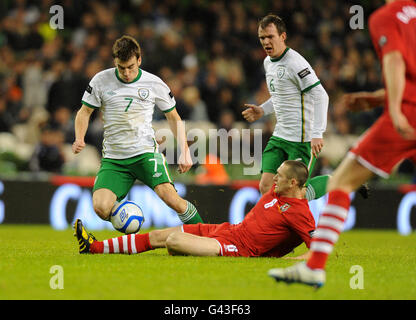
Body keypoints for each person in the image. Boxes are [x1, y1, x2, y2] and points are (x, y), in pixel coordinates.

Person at [268, 0, 416, 288]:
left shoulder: (384, 18)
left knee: (341, 183)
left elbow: (396, 61)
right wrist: (377, 98)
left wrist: (395, 108)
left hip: (407, 115)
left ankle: (314, 267)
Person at [72, 35, 204, 226]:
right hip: (114, 159)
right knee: (101, 208)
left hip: (145, 154)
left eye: (131, 67)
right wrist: (79, 138)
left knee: (172, 199)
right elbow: (84, 112)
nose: (126, 73)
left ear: (139, 60)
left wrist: (185, 151)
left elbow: (173, 117)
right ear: (115, 62)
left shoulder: (154, 83)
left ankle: (208, 233)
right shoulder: (101, 80)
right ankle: (129, 220)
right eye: (121, 67)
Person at [74, 160, 315, 259]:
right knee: (159, 234)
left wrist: (288, 261)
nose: (273, 179)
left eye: (279, 177)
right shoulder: (277, 192)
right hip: (229, 230)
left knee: (174, 241)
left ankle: (193, 252)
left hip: (238, 249)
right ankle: (94, 248)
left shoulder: (299, 211)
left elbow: (318, 249)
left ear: (293, 183)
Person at [241, 15, 330, 201]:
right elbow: (282, 97)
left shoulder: (295, 63)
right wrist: (262, 110)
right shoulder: (268, 63)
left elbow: (321, 95)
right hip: (280, 136)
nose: (266, 42)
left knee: (294, 194)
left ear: (282, 37)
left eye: (270, 37)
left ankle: (334, 181)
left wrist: (317, 132)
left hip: (302, 140)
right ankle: (276, 229)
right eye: (262, 38)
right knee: (266, 187)